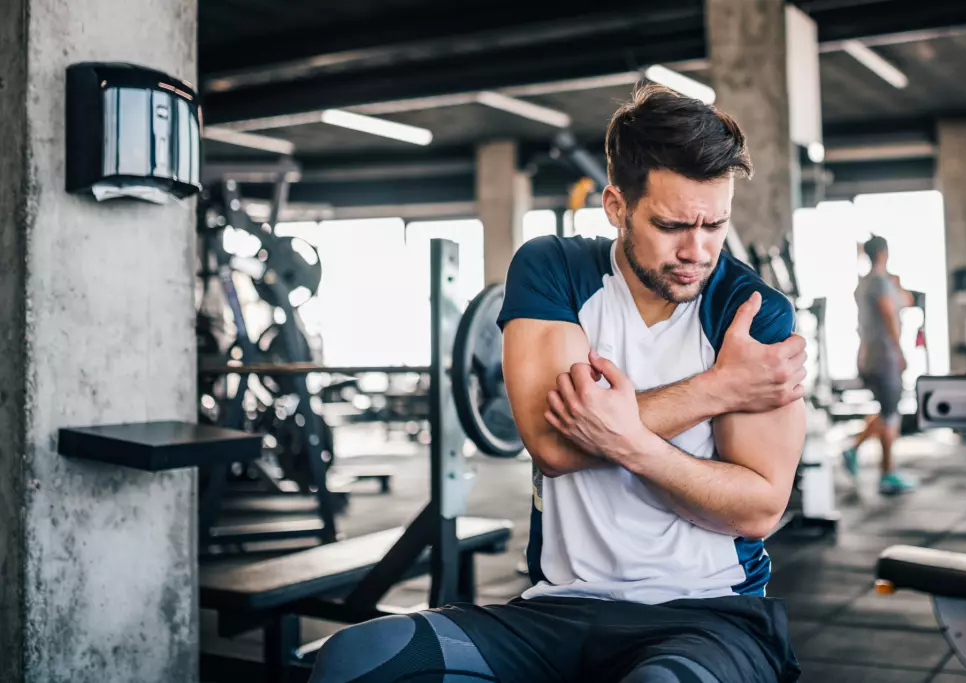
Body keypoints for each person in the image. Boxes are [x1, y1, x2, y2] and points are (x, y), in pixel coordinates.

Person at [310, 84, 808, 683]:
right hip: (558, 609)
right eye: (673, 225)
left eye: (715, 225)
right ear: (617, 206)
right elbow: (553, 447)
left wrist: (629, 440)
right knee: (355, 661)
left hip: (710, 616)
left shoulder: (751, 313)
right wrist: (719, 389)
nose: (697, 251)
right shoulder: (554, 269)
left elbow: (757, 509)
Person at [842, 235, 917, 494]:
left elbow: (907, 300)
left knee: (887, 411)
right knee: (890, 415)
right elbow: (890, 317)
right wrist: (899, 351)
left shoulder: (866, 284)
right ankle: (886, 473)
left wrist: (896, 283)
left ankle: (854, 448)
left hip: (867, 356)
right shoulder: (880, 283)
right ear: (884, 252)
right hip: (885, 357)